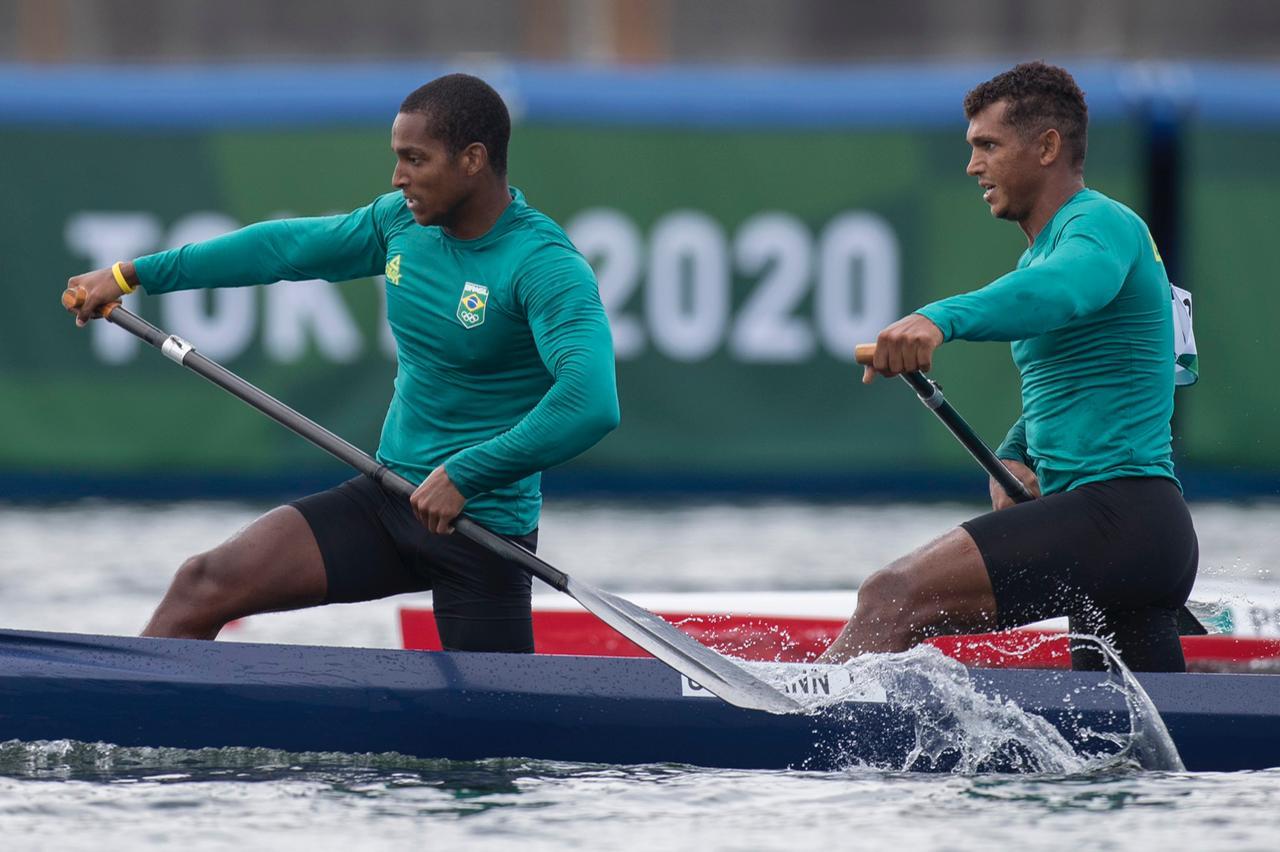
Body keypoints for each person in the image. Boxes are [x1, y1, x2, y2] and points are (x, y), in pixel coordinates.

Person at [65, 73, 620, 653]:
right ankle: (130, 741)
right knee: (202, 583)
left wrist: (465, 474)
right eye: (397, 158)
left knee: (500, 744)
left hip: (481, 531)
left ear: (473, 159)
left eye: (415, 159)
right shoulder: (400, 223)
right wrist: (131, 275)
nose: (398, 177)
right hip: (388, 498)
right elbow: (279, 248)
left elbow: (591, 403)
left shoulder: (544, 266)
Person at [818, 61, 1197, 672]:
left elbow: (1066, 289)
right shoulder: (1045, 255)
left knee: (891, 596)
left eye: (987, 146)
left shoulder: (1099, 224)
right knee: (1131, 755)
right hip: (1134, 536)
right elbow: (1077, 383)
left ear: (1047, 146)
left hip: (1119, 517)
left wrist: (940, 318)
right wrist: (1017, 451)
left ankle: (795, 724)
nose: (973, 166)